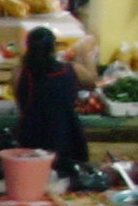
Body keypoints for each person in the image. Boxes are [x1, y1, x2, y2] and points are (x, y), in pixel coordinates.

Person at [11, 26, 88, 168]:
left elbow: (20, 102)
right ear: (54, 48)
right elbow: (92, 81)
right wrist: (85, 53)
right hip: (67, 138)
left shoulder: (21, 73)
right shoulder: (72, 70)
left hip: (32, 138)